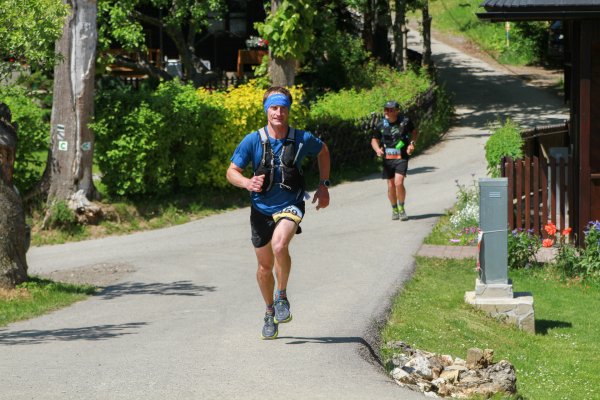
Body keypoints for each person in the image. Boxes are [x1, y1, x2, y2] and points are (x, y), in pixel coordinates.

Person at [226, 86, 331, 340]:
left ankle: (282, 296)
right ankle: (269, 311)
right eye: (274, 107)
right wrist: (246, 183)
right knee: (264, 268)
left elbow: (323, 151)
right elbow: (231, 172)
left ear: (288, 110)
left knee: (280, 245)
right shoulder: (252, 140)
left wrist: (323, 186)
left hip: (291, 203)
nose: (278, 113)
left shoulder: (301, 139)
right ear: (266, 110)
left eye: (283, 108)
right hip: (260, 209)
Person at [370, 100, 418, 221]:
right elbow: (374, 140)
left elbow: (414, 132)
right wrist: (377, 150)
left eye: (390, 110)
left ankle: (401, 208)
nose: (387, 112)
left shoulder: (405, 122)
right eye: (385, 109)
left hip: (401, 157)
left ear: (397, 111)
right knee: (391, 185)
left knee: (398, 183)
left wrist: (412, 143)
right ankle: (394, 209)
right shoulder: (381, 124)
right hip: (387, 159)